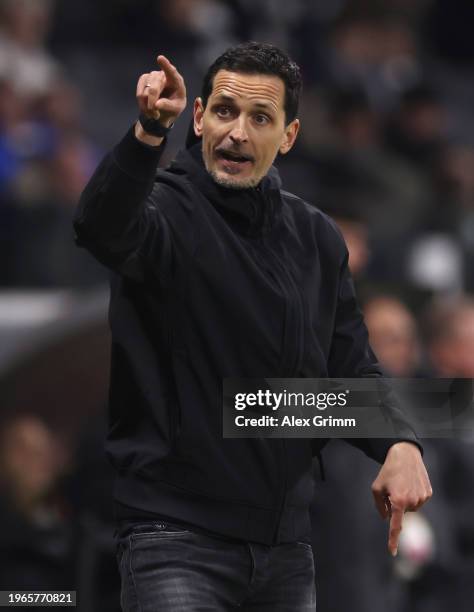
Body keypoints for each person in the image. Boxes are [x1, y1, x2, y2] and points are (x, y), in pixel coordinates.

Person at [74, 42, 432, 612]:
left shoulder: (316, 238)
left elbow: (351, 365)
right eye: (223, 112)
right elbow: (100, 227)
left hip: (287, 551)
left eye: (260, 118)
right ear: (197, 117)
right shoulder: (163, 209)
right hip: (173, 539)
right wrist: (146, 136)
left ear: (288, 136)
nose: (237, 132)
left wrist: (400, 441)